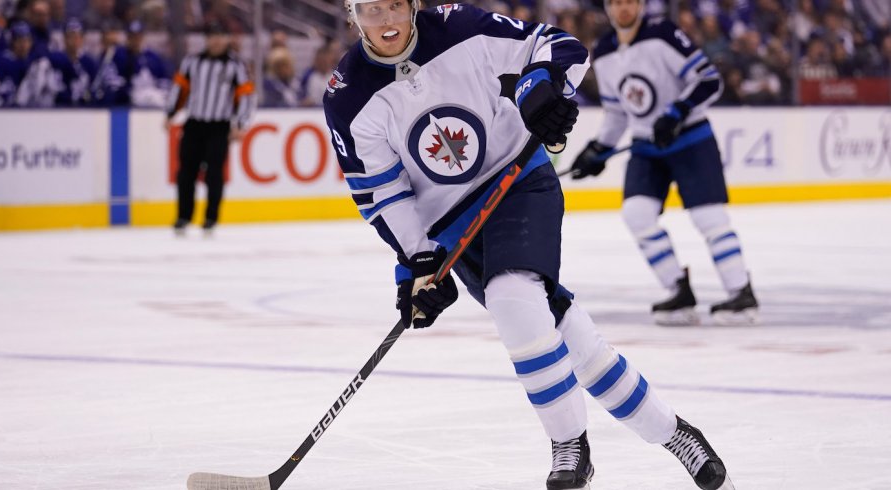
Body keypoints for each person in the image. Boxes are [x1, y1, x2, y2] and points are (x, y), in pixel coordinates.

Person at [323, 1, 734, 489]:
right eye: (371, 10)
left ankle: (568, 445)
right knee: (566, 333)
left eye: (395, 5)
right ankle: (674, 433)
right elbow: (382, 192)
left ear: (414, 3)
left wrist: (538, 86)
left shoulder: (459, 26)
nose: (387, 21)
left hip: (517, 178)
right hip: (454, 230)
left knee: (510, 294)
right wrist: (417, 261)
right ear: (352, 16)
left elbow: (558, 46)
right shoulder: (347, 98)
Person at [569, 0, 759, 327]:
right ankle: (678, 289)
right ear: (608, 8)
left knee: (708, 217)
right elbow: (618, 113)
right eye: (616, 2)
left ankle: (741, 292)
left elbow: (709, 80)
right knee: (636, 215)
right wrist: (598, 149)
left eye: (630, 1)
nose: (623, 8)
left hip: (690, 139)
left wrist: (677, 111)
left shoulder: (663, 33)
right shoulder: (604, 50)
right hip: (647, 147)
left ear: (641, 4)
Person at [165, 22, 255, 235]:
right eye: (212, 36)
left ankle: (210, 218)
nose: (216, 41)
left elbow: (246, 96)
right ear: (206, 39)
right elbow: (180, 89)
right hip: (194, 123)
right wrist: (170, 113)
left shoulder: (236, 66)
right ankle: (183, 216)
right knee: (186, 173)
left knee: (214, 174)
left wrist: (241, 124)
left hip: (219, 126)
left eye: (220, 36)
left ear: (227, 39)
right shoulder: (191, 62)